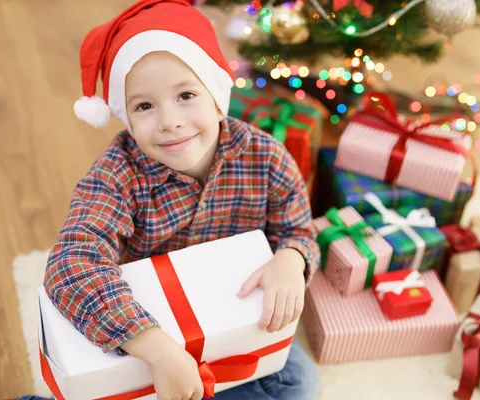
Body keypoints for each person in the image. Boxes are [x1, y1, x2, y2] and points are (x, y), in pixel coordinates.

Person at [42, 0, 321, 399]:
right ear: (127, 117)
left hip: (232, 317)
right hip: (146, 329)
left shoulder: (266, 157)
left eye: (186, 94)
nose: (170, 121)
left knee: (298, 384)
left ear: (216, 95)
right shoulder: (115, 177)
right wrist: (159, 353)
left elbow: (298, 230)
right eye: (144, 106)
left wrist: (291, 258)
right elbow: (70, 265)